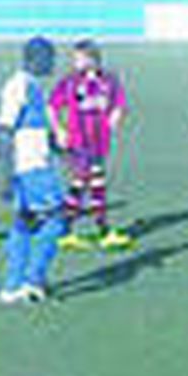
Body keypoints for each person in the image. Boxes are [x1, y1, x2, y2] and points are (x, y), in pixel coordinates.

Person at [0, 37, 66, 305]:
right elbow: (4, 131)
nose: (53, 63)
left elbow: (35, 131)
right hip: (31, 167)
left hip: (35, 163)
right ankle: (33, 281)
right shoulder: (18, 86)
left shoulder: (33, 86)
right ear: (35, 58)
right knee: (56, 219)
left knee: (24, 222)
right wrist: (4, 176)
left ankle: (12, 285)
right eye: (50, 58)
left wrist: (61, 152)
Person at [49, 39, 132, 251]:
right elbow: (52, 106)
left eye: (79, 58)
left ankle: (68, 230)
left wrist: (115, 115)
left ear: (92, 59)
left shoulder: (109, 81)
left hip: (100, 140)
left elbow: (120, 103)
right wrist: (59, 129)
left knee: (90, 182)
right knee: (87, 181)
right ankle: (93, 231)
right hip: (79, 140)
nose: (75, 62)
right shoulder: (71, 82)